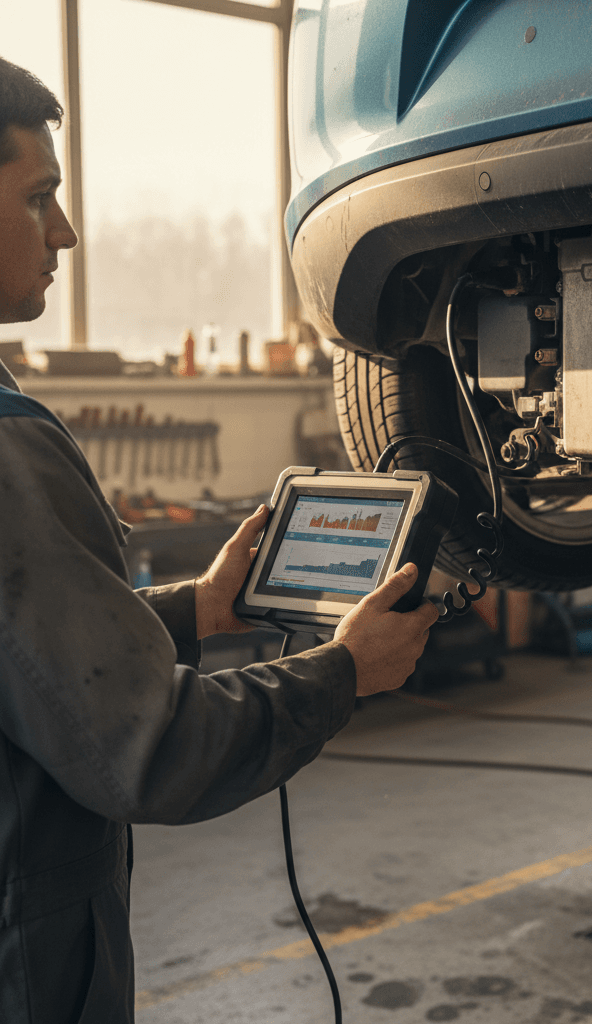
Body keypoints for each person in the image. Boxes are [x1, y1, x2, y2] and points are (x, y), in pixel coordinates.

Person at [0, 56, 439, 1023]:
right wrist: (343, 670)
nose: (66, 231)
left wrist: (193, 610)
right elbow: (152, 751)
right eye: (40, 198)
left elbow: (23, 662)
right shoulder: (9, 453)